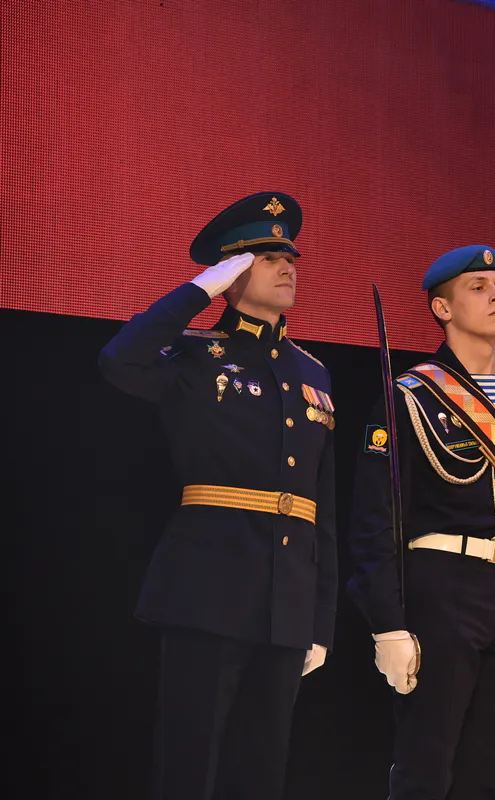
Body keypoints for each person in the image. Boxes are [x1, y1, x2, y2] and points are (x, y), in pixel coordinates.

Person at [98, 192, 336, 799]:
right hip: (208, 590)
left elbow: (322, 507)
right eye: (267, 257)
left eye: (290, 258)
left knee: (261, 773)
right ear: (231, 272)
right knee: (189, 765)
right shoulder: (197, 354)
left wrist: (320, 618)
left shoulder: (312, 372)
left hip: (287, 599)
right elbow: (119, 360)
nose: (287, 268)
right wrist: (199, 290)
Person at [347, 244, 495, 799]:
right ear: (442, 309)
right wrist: (387, 623)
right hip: (444, 590)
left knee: (490, 776)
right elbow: (374, 521)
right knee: (425, 767)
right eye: (479, 287)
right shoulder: (411, 397)